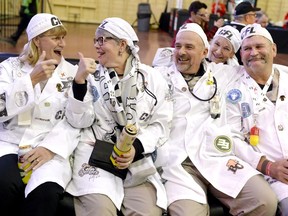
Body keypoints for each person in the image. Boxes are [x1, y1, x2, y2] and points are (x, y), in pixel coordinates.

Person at [155, 22, 277, 216]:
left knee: (264, 201)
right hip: (180, 163)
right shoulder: (159, 75)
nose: (181, 52)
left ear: (204, 52)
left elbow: (262, 64)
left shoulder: (223, 73)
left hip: (217, 157)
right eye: (178, 46)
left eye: (189, 47)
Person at [65, 17, 172, 216]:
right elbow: (79, 121)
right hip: (96, 158)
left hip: (137, 160)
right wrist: (79, 83)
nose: (96, 46)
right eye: (95, 40)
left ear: (122, 45)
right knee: (99, 211)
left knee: (147, 212)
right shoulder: (91, 76)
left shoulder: (152, 79)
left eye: (102, 40)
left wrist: (135, 148)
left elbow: (161, 124)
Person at [0, 13, 79, 216]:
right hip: (10, 142)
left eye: (63, 37)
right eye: (55, 37)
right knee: (5, 183)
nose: (62, 43)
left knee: (46, 193)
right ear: (36, 40)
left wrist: (50, 148)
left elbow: (76, 122)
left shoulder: (73, 73)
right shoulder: (9, 68)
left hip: (49, 147)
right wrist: (30, 81)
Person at [225, 23, 288, 215]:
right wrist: (268, 166)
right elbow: (232, 138)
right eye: (247, 49)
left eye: (259, 46)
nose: (253, 53)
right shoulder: (232, 90)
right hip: (269, 173)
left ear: (274, 49)